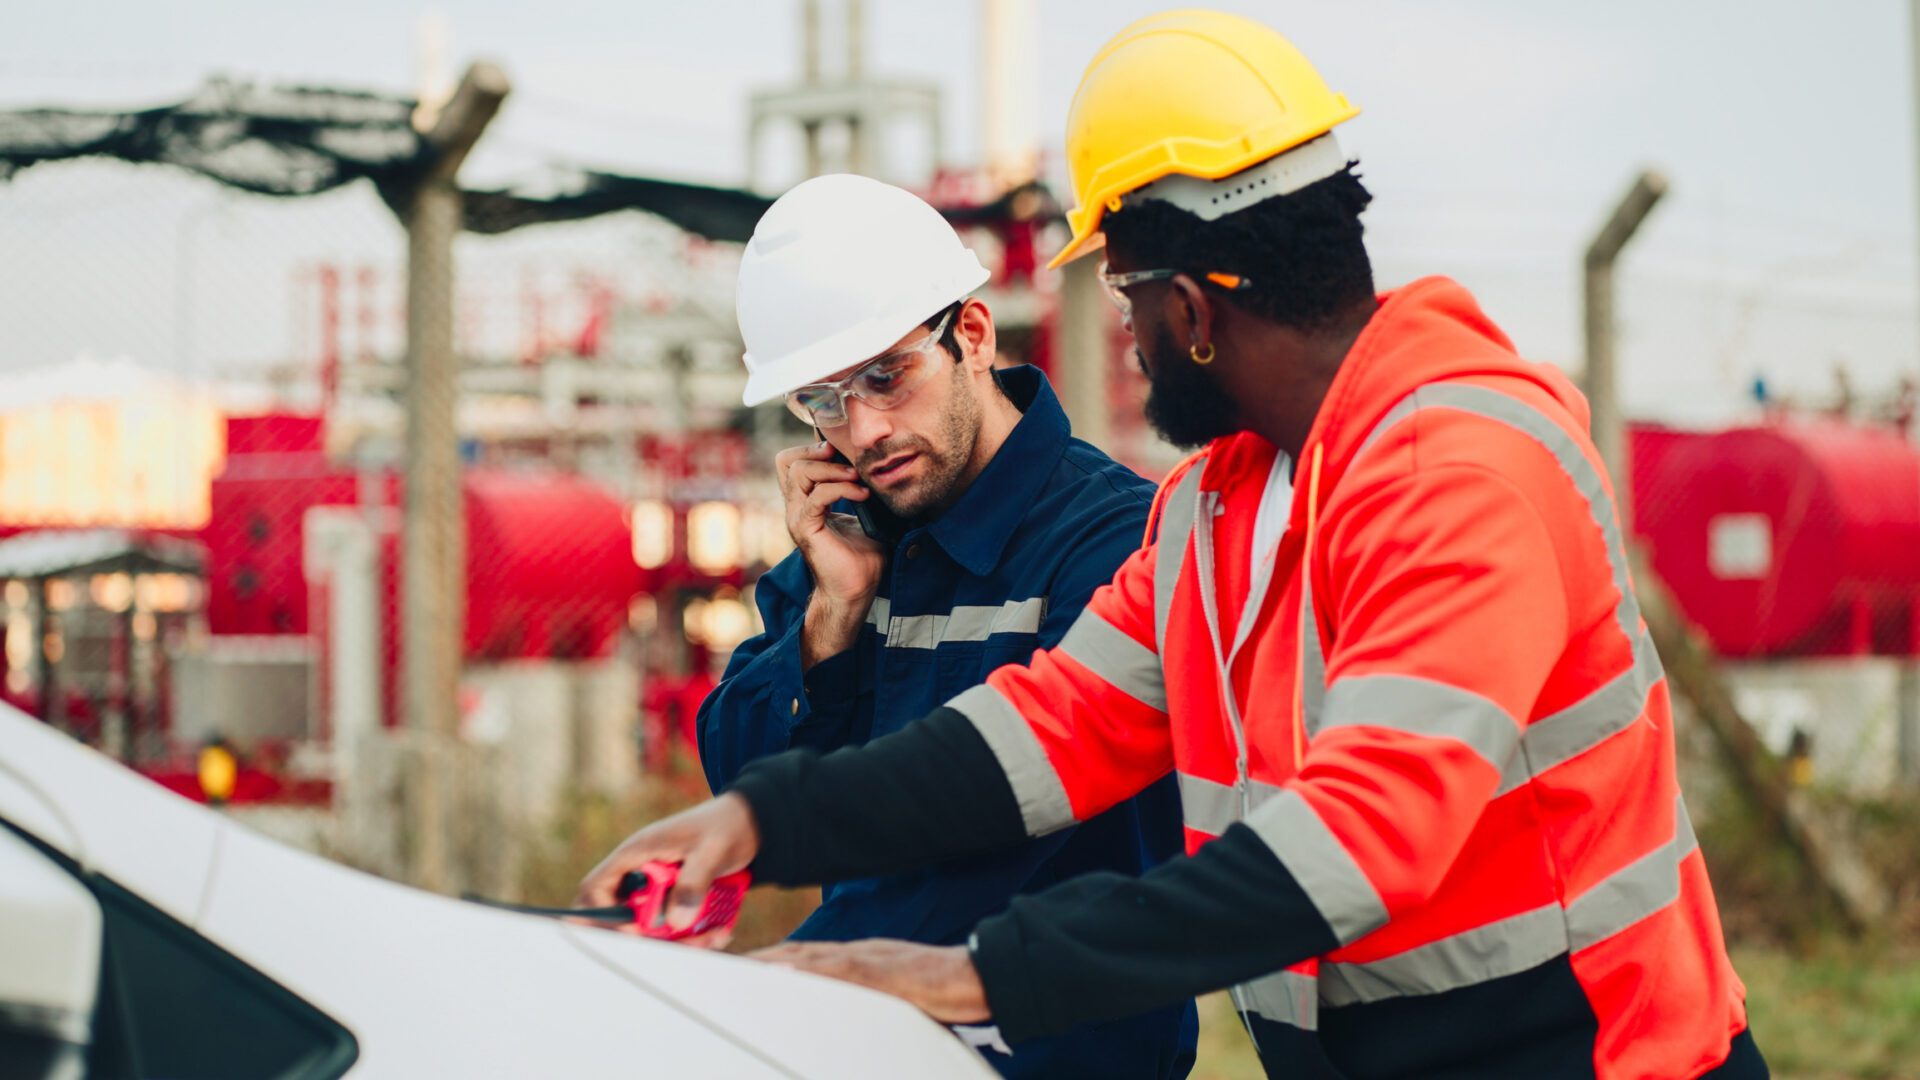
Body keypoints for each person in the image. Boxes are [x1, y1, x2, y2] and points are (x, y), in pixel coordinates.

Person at [582, 13, 1765, 1078]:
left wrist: (967, 977)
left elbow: (1362, 836)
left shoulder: (1462, 469)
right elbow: (1059, 723)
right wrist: (763, 821)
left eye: (1127, 299)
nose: (1127, 338)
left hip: (1598, 1060)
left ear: (1190, 309)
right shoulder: (1220, 503)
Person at [691, 172, 1197, 1079]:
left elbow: (1005, 844)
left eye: (886, 376)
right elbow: (741, 783)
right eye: (824, 401)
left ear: (969, 335)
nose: (865, 428)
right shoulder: (847, 545)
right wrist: (830, 619)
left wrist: (799, 985)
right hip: (870, 1043)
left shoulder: (1113, 539)